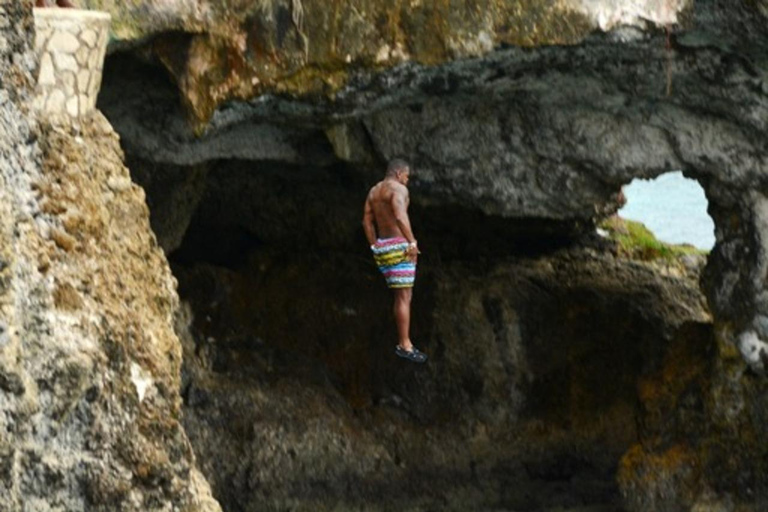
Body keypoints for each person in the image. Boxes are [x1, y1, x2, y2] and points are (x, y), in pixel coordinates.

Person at [362, 159, 427, 363]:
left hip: (383, 248)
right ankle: (405, 344)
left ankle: (404, 341)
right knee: (404, 298)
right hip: (400, 247)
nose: (407, 182)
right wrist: (412, 242)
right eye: (407, 177)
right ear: (399, 173)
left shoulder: (374, 191)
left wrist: (374, 245)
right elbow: (399, 216)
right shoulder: (398, 189)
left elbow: (366, 220)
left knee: (399, 296)